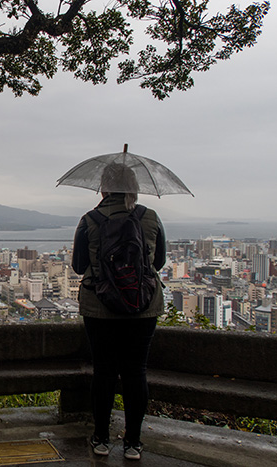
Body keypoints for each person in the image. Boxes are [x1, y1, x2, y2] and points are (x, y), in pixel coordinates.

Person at [72, 163, 166, 460]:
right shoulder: (149, 217)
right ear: (135, 188)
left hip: (99, 307)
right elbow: (158, 263)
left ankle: (100, 438)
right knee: (136, 372)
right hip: (143, 305)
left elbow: (77, 266)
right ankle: (133, 443)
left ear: (103, 187)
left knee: (104, 371)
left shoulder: (90, 220)